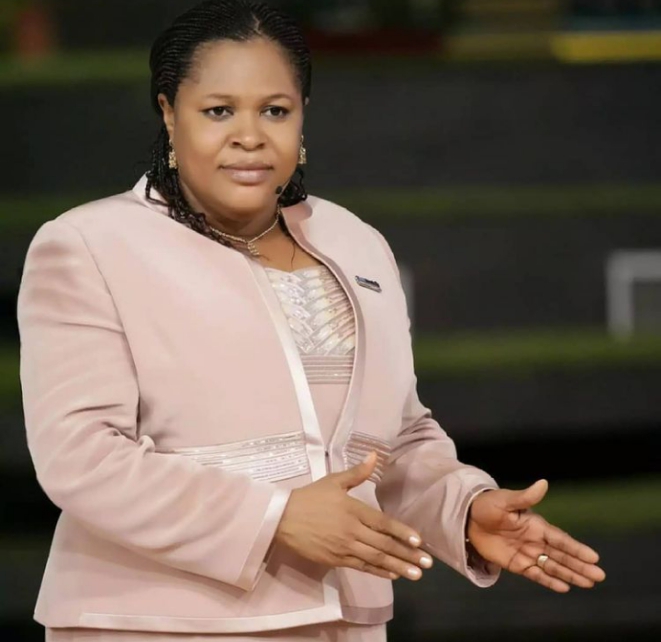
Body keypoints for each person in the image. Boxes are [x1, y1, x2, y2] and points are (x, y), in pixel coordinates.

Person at [16, 1, 606, 641]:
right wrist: (273, 518)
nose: (250, 136)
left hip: (342, 622)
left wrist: (464, 508)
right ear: (168, 112)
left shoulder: (354, 242)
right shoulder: (90, 244)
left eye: (275, 111)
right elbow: (82, 456)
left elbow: (393, 439)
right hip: (152, 622)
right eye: (219, 111)